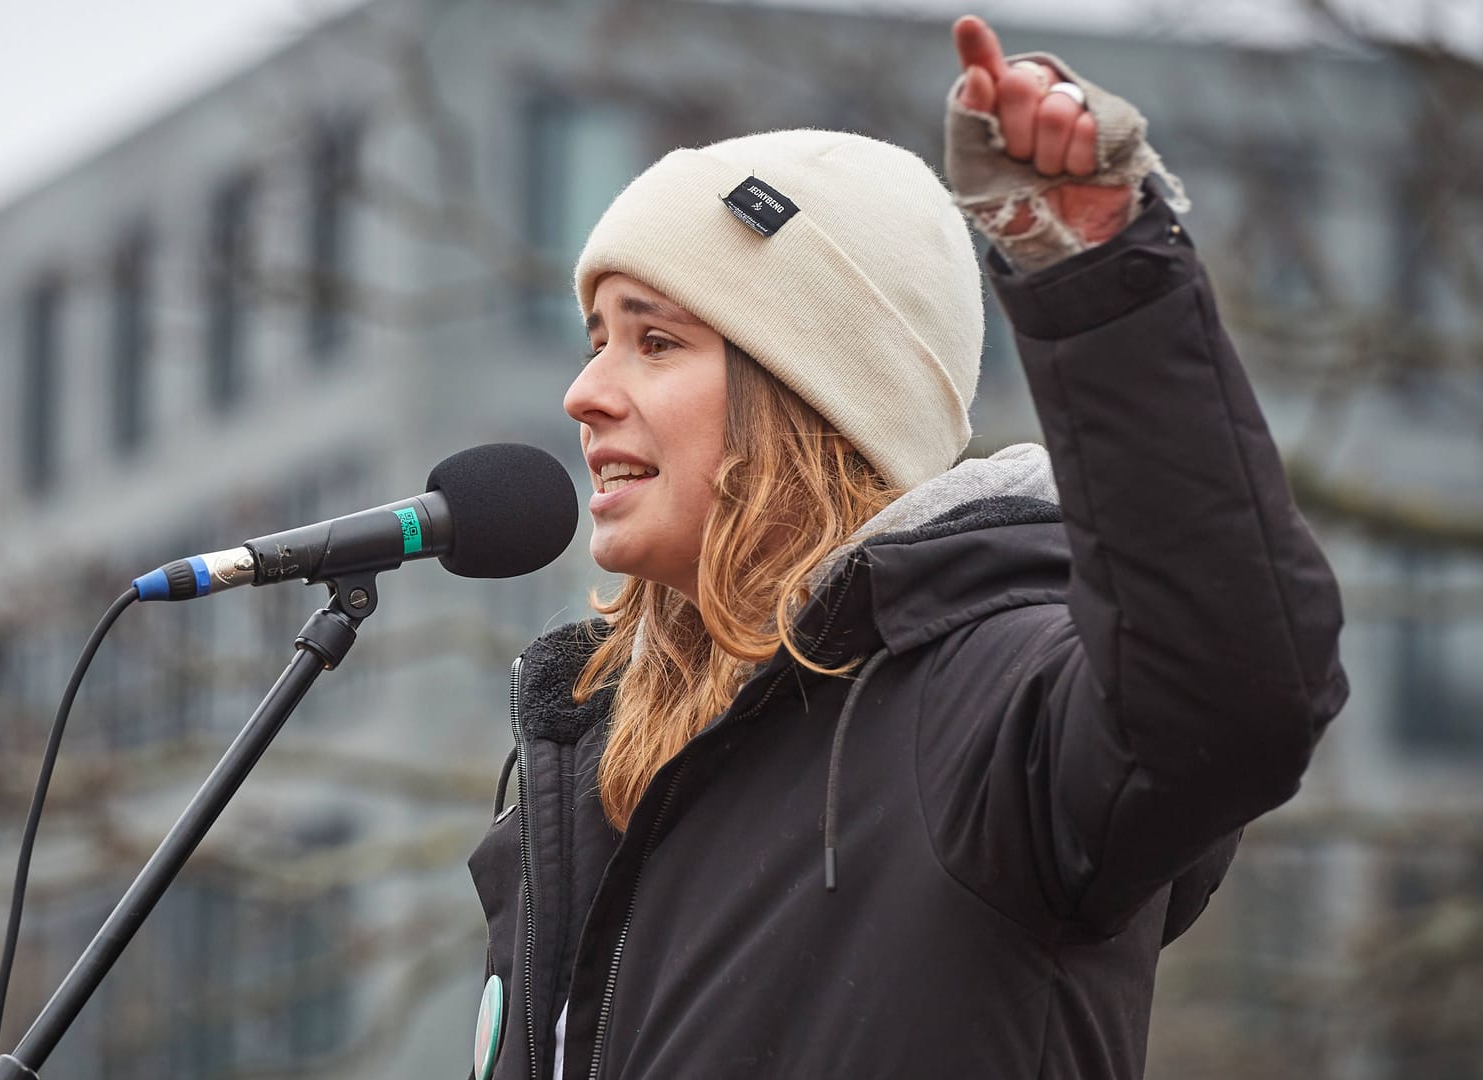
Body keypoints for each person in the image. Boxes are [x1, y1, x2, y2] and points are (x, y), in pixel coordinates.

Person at [466, 14, 1349, 1080]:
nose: (585, 393)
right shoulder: (570, 798)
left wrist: (1103, 286)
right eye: (595, 337)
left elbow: (1234, 693)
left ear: (813, 403)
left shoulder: (992, 708)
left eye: (656, 341)